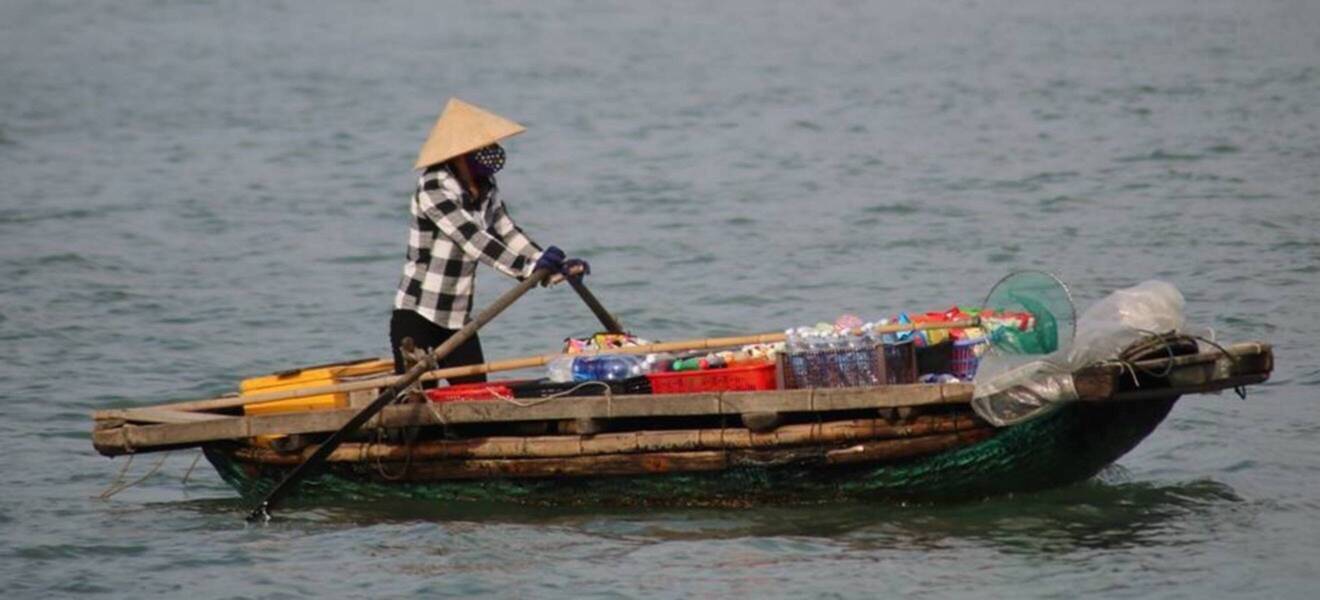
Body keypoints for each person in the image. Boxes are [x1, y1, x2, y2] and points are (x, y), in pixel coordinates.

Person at [390, 98, 589, 381]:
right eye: (481, 146)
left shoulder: (485, 186)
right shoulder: (434, 186)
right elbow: (473, 239)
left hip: (457, 319)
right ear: (460, 153)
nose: (491, 151)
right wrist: (526, 268)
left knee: (475, 398)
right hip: (418, 314)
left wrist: (552, 268)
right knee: (415, 404)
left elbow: (507, 231)